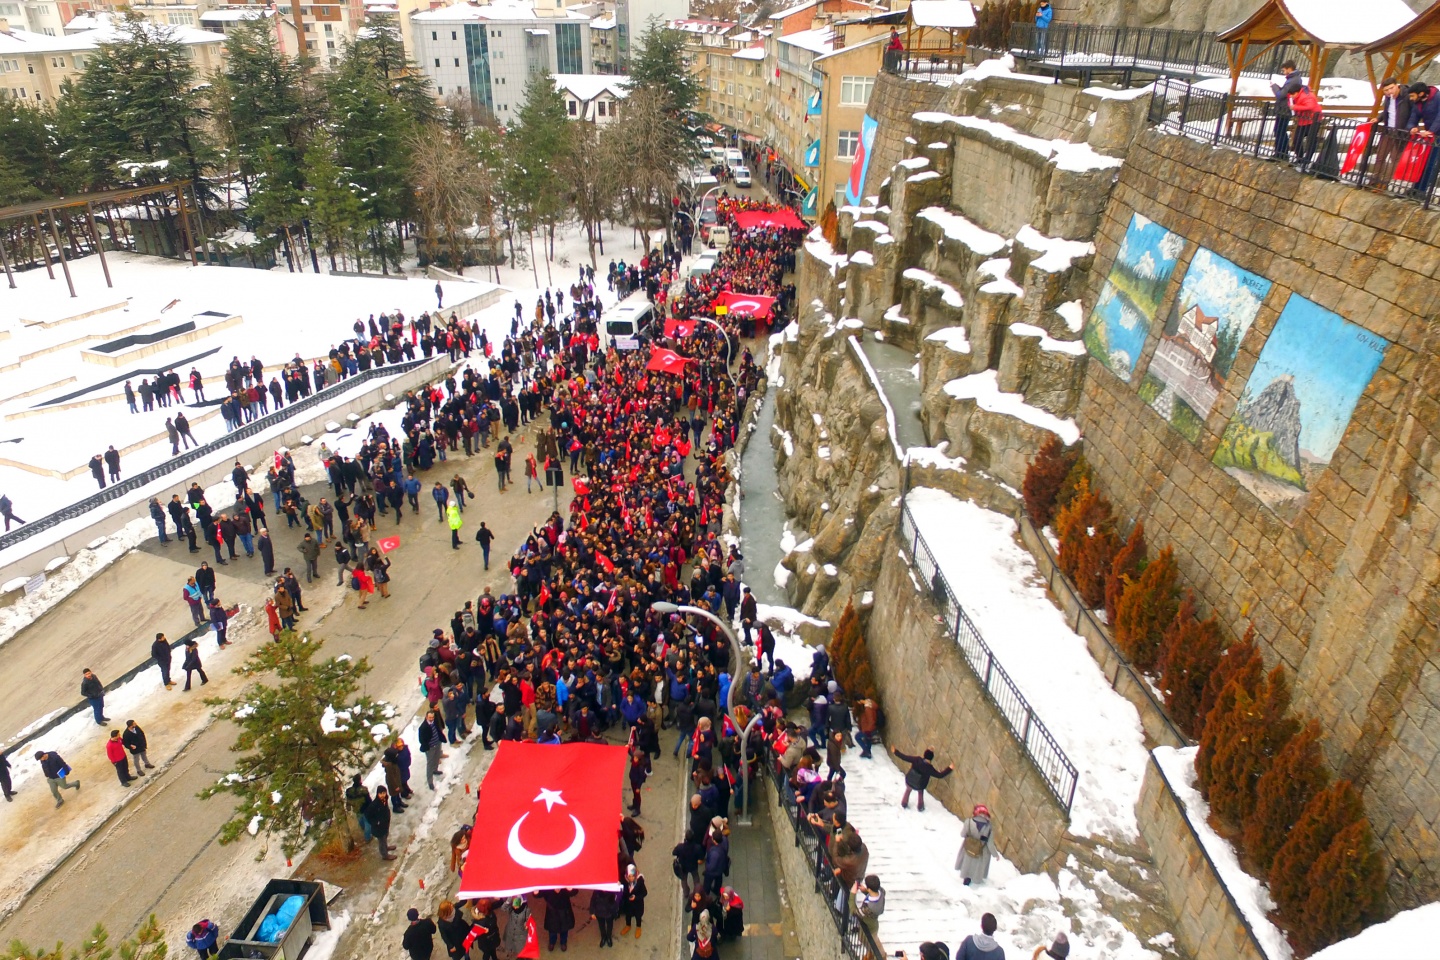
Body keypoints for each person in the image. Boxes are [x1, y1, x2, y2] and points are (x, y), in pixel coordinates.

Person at [1371, 77, 1412, 188]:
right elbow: (1386, 112)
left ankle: (1384, 183)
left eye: (1391, 88)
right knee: (1381, 155)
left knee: (1394, 159)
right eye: (1386, 90)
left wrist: (1410, 128)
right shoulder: (1388, 98)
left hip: (1401, 131)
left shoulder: (1406, 96)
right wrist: (1378, 118)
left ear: (1397, 86)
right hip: (1388, 130)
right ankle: (1374, 180)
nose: (1389, 92)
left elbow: (1413, 114)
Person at [892, 746, 953, 811]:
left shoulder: (917, 760)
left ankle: (904, 804)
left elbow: (904, 757)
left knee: (908, 790)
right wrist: (950, 768)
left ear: (924, 755)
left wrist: (895, 751)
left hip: (909, 780)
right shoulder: (929, 768)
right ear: (931, 758)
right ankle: (920, 807)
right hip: (919, 785)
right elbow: (940, 775)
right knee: (920, 792)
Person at [1269, 60, 1302, 161]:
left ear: (1289, 69)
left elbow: (1280, 95)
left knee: (1280, 130)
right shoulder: (1294, 79)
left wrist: (1274, 87)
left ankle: (1281, 153)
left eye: (1284, 70)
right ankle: (1281, 152)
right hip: (1284, 108)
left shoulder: (1293, 80)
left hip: (1285, 109)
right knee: (1279, 130)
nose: (1284, 73)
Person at [955, 803, 993, 885]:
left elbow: (962, 834)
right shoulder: (988, 826)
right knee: (975, 864)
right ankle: (973, 878)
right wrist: (995, 854)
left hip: (968, 846)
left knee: (967, 862)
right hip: (980, 849)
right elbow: (989, 841)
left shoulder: (968, 822)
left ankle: (966, 878)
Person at [418, 709, 447, 790]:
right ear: (426, 717)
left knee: (437, 758)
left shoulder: (435, 722)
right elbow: (421, 740)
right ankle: (430, 781)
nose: (431, 719)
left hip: (437, 743)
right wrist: (427, 746)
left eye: (432, 717)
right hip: (430, 747)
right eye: (430, 717)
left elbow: (438, 730)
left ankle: (435, 770)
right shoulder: (423, 727)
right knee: (430, 763)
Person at [367, 787, 397, 859]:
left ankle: (386, 847)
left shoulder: (384, 799)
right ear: (377, 794)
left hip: (385, 824)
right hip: (378, 827)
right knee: (381, 840)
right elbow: (368, 815)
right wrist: (376, 822)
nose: (382, 795)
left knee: (385, 836)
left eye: (384, 793)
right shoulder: (374, 805)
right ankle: (385, 855)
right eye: (380, 793)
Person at [621, 863, 647, 938]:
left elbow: (645, 893)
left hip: (637, 904)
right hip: (628, 903)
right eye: (630, 876)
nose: (631, 878)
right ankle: (628, 925)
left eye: (633, 876)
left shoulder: (640, 882)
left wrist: (636, 897)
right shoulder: (625, 880)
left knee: (638, 916)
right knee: (628, 915)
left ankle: (638, 927)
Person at [346, 774, 372, 842]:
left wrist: (348, 807)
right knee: (368, 823)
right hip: (365, 809)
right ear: (360, 780)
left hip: (356, 809)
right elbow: (368, 800)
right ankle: (367, 837)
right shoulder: (363, 789)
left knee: (361, 820)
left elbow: (348, 800)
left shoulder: (349, 791)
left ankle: (363, 829)